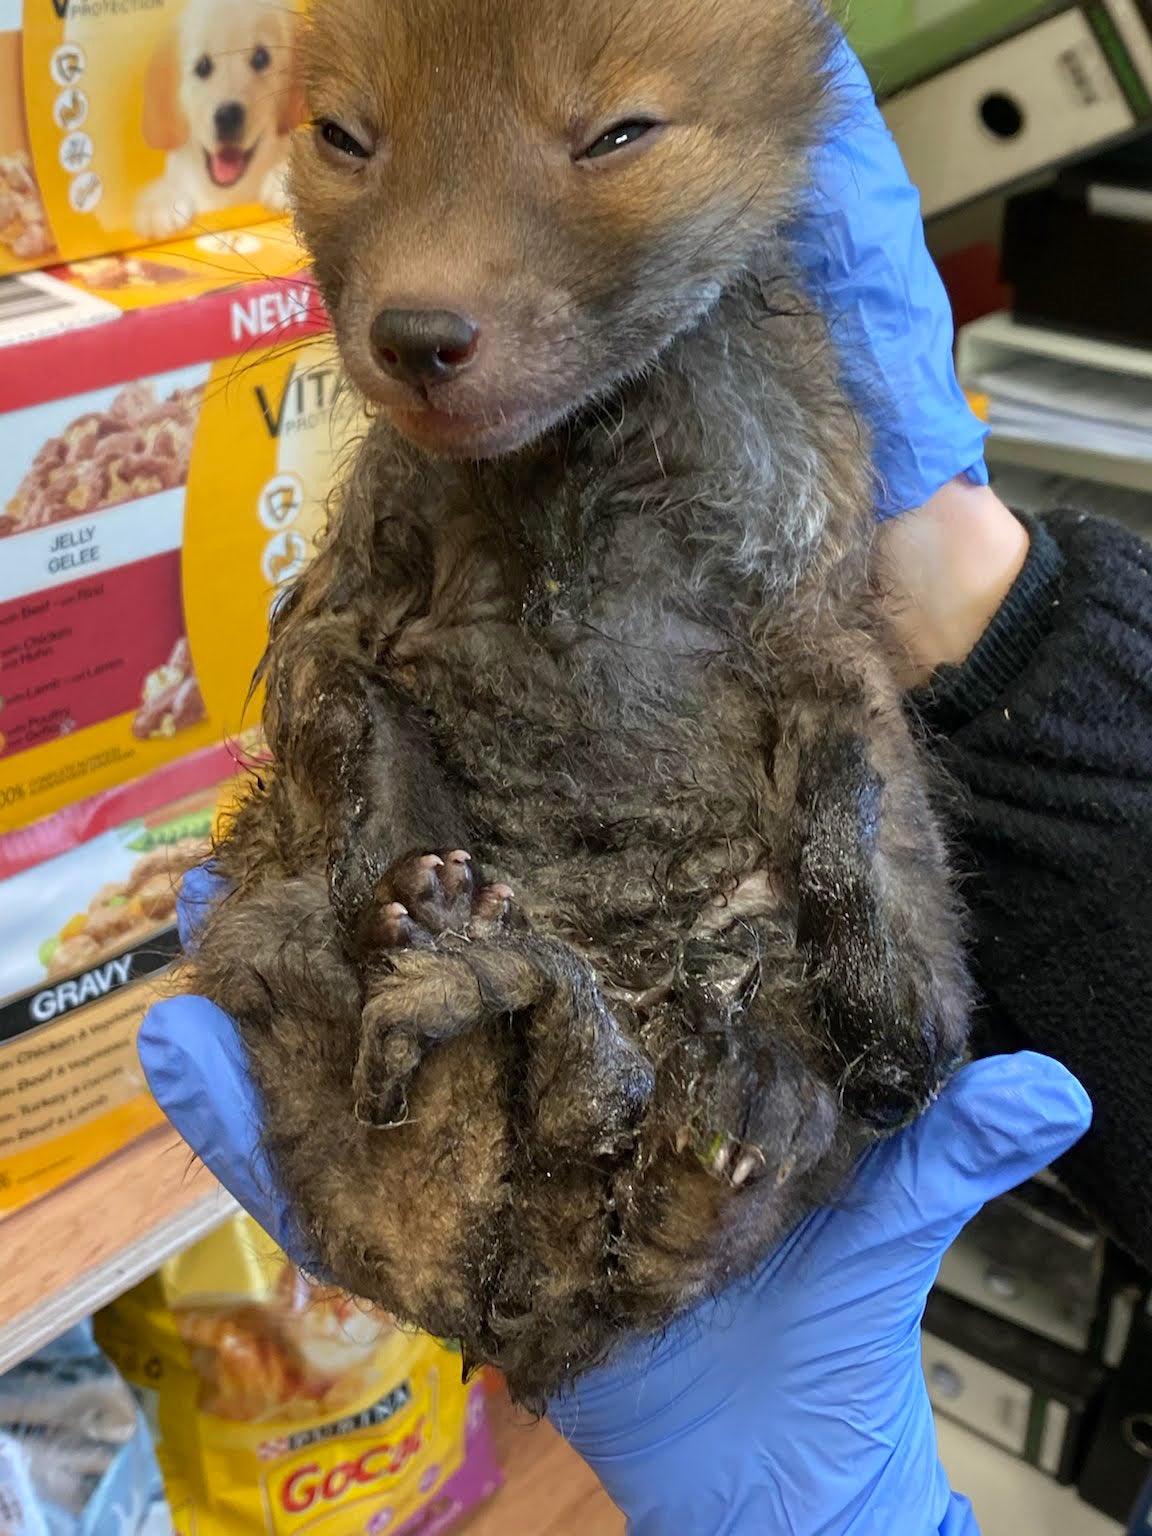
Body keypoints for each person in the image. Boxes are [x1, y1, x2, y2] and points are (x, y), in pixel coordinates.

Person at [139, 33, 1152, 1535]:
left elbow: (824, 708)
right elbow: (354, 662)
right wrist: (978, 607)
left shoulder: (782, 421)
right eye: (349, 143)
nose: (420, 282)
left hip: (667, 1017)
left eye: (607, 137)